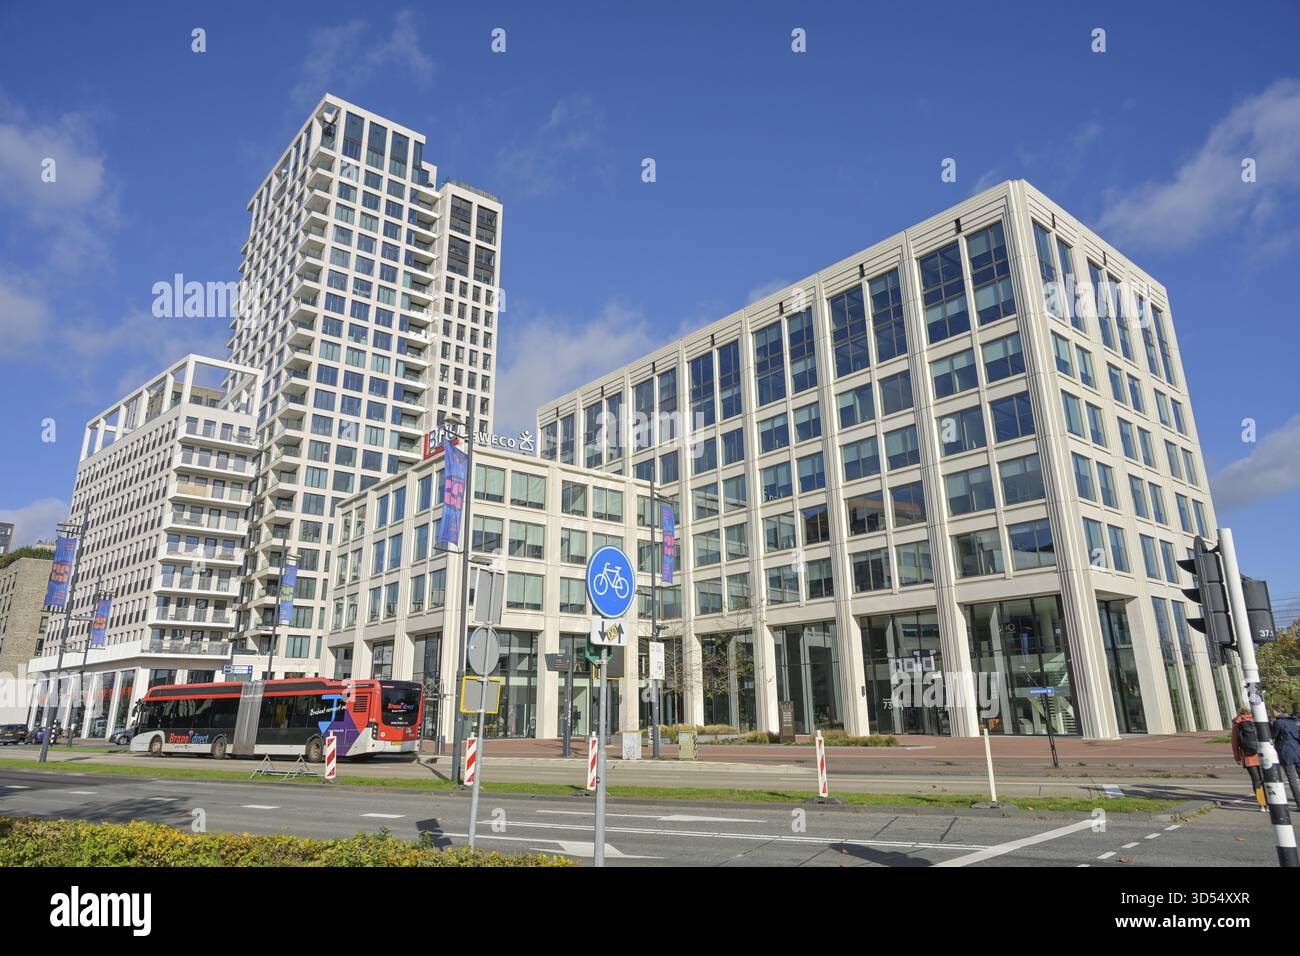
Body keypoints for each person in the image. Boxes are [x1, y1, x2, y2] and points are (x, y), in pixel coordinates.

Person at [1231, 706, 1267, 811]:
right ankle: (1268, 802)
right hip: (1260, 754)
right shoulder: (1256, 721)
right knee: (1263, 779)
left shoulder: (1237, 725)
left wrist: (1237, 757)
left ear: (1239, 713)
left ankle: (1262, 804)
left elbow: (1235, 743)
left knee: (1255, 780)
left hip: (1248, 756)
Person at [1271, 705, 1300, 810]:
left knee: (1292, 779)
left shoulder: (1278, 722)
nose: (1271, 713)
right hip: (1297, 750)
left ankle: (1299, 803)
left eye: (1272, 711)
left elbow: (1273, 736)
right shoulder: (1294, 720)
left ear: (1277, 711)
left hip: (1286, 752)